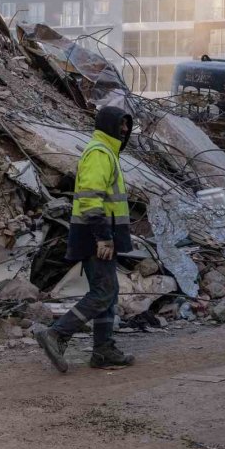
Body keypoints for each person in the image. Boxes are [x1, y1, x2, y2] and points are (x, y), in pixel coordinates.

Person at [35, 106, 136, 372]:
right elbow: (92, 200)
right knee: (104, 292)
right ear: (108, 126)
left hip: (101, 235)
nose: (125, 130)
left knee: (108, 294)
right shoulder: (100, 154)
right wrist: (103, 237)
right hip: (97, 236)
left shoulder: (107, 154)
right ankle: (57, 333)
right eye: (121, 125)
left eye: (127, 125)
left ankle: (103, 351)